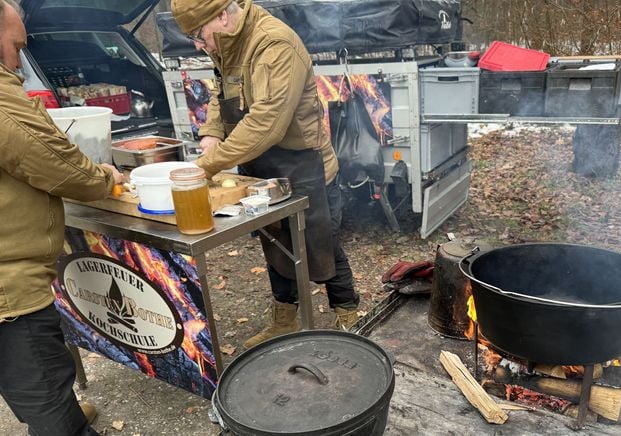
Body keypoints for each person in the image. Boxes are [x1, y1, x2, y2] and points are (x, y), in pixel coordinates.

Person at [171, 0, 360, 348]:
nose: (200, 45)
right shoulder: (228, 43)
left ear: (221, 15)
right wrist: (211, 132)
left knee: (321, 241)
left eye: (199, 35)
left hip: (304, 162)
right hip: (261, 164)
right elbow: (220, 92)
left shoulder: (274, 43)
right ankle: (285, 320)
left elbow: (267, 122)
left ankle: (348, 313)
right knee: (274, 241)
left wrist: (206, 166)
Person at [0, 1, 124, 434]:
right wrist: (104, 177)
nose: (18, 61)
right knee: (40, 376)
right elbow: (61, 167)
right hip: (7, 289)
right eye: (16, 47)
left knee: (24, 379)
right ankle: (58, 420)